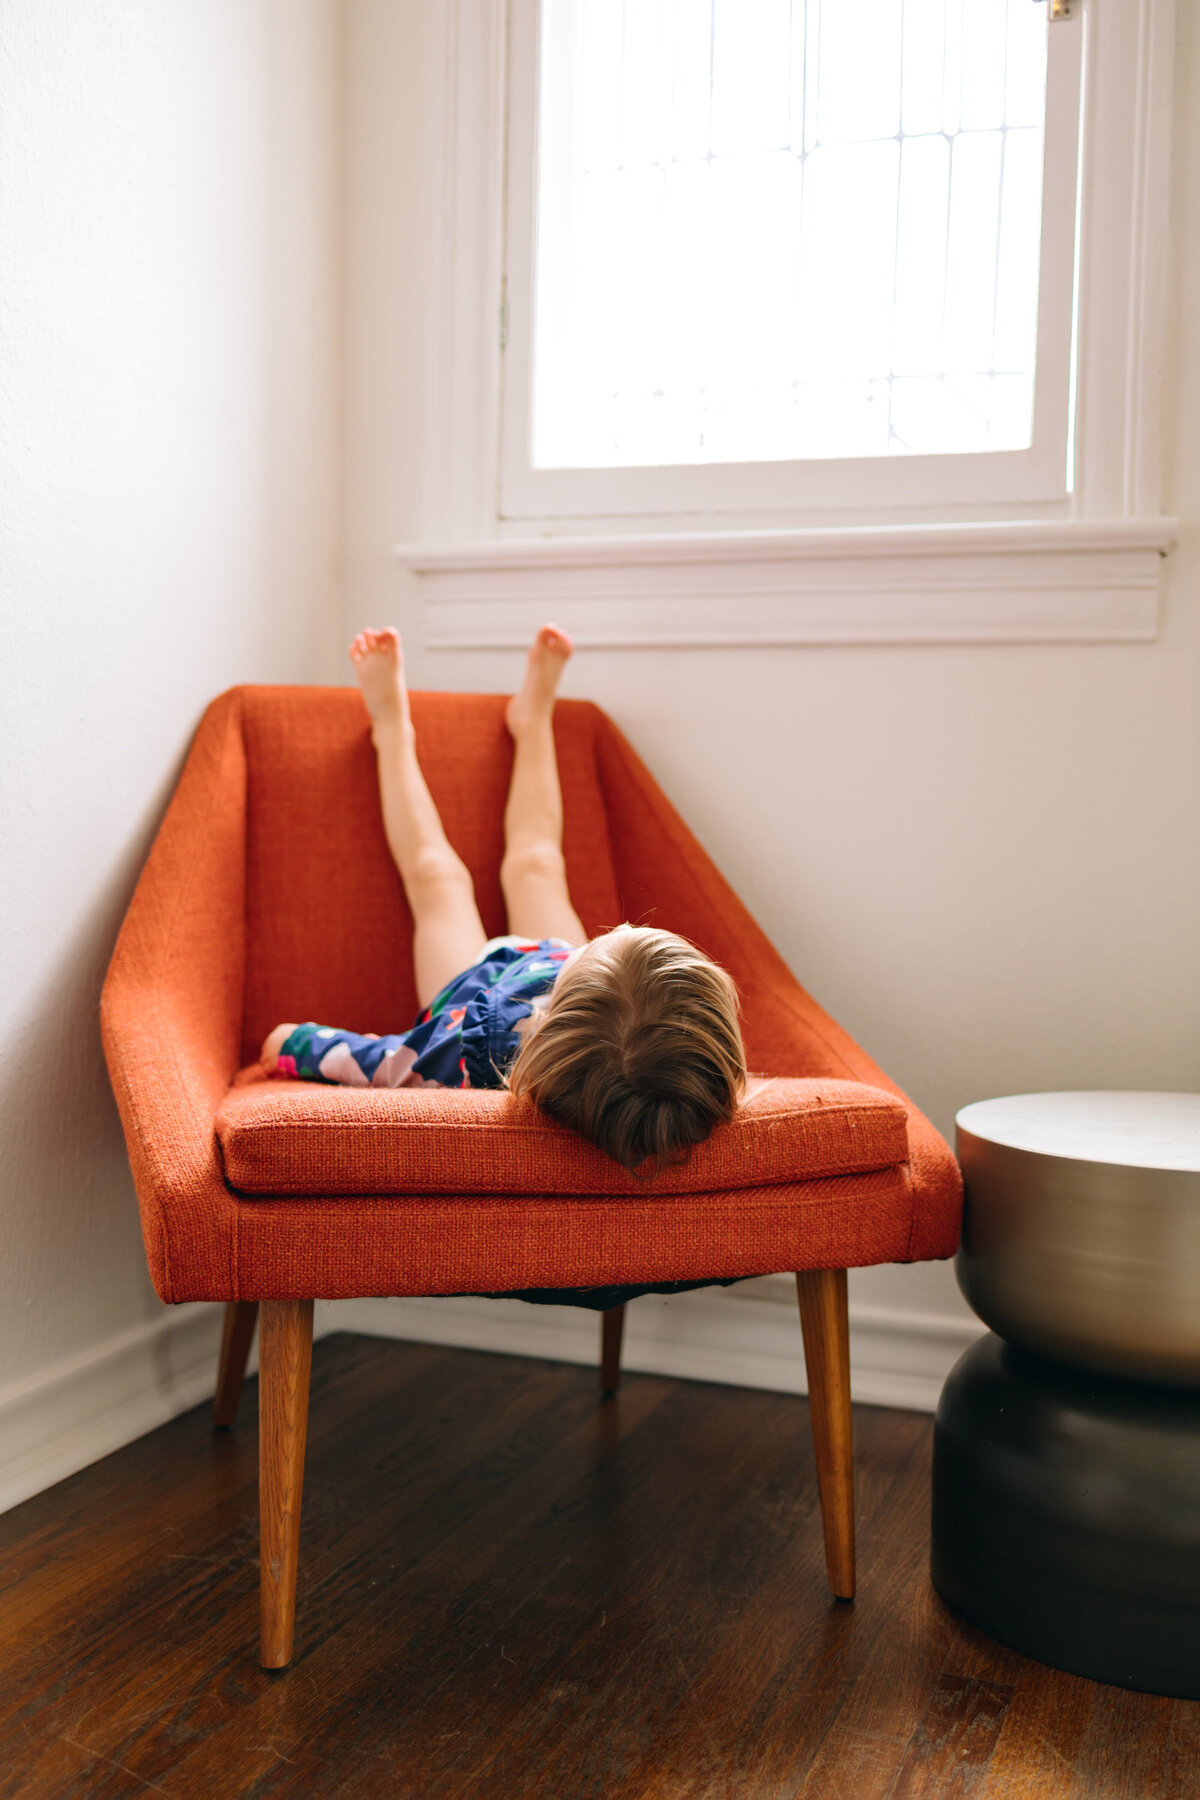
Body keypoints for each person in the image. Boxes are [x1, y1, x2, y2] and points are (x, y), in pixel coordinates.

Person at [261, 624, 746, 1174]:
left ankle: (390, 729)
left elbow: (380, 1063)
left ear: (563, 1002)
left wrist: (292, 1042)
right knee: (537, 859)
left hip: (470, 989)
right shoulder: (682, 1072)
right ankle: (533, 721)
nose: (613, 930)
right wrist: (573, 955)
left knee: (437, 875)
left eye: (605, 944)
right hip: (552, 960)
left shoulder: (464, 1054)